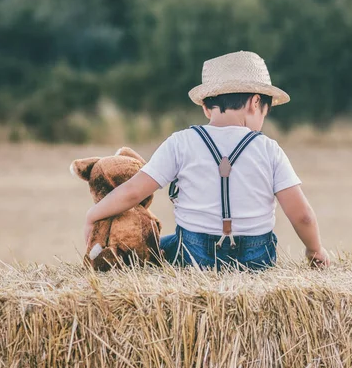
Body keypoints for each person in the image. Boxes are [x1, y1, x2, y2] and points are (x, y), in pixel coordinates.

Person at [83, 51, 330, 270]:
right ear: (256, 102)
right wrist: (314, 250)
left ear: (205, 107)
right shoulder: (269, 149)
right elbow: (302, 216)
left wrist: (93, 215)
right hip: (257, 257)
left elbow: (132, 193)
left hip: (193, 253)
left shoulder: (181, 142)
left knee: (155, 247)